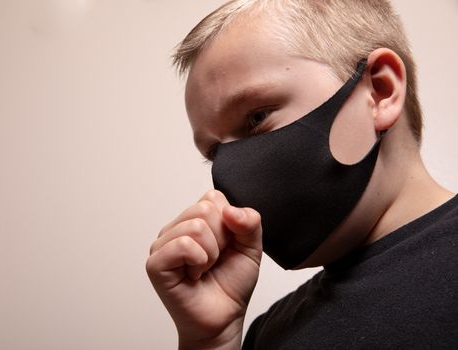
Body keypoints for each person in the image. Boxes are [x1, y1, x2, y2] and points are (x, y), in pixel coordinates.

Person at [146, 0, 458, 349]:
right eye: (214, 152)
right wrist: (209, 341)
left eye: (256, 117)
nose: (229, 170)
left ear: (380, 92)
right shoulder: (267, 333)